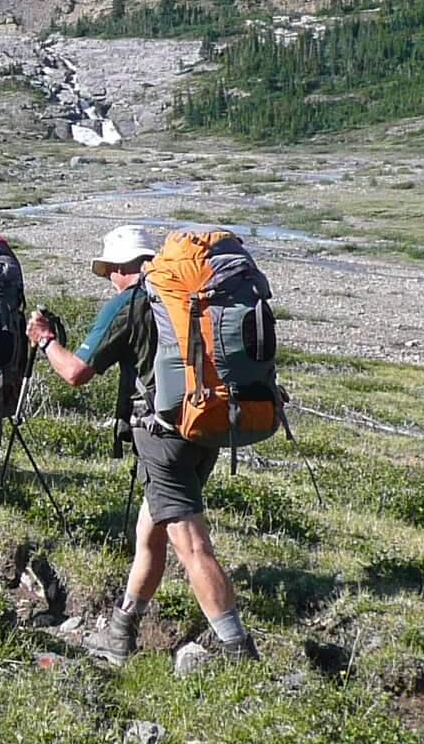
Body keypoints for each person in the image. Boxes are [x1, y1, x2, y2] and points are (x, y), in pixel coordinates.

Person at [27, 224, 259, 666]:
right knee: (150, 532)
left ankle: (238, 650)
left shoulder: (130, 303)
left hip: (160, 437)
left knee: (192, 545)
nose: (109, 279)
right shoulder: (194, 297)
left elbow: (75, 372)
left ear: (120, 268)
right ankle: (122, 630)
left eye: (109, 272)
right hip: (204, 426)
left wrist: (44, 341)